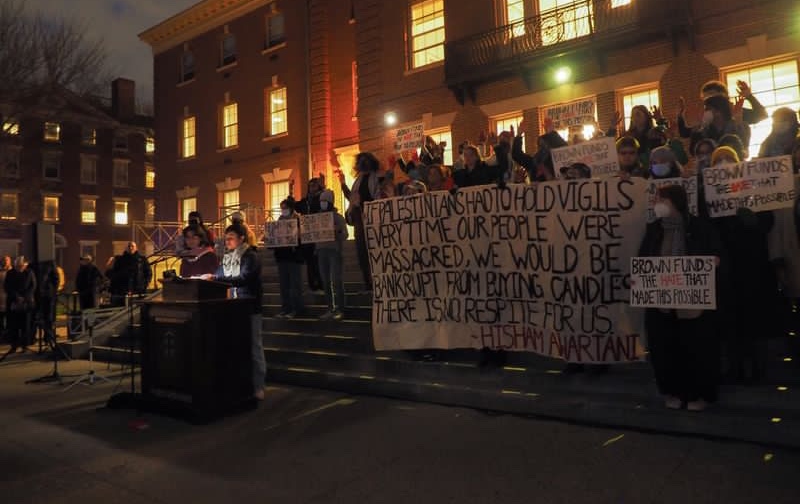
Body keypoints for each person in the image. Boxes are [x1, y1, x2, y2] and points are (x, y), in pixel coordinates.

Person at [639, 185, 724, 411]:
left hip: (692, 305)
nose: (657, 204)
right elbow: (644, 258)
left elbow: (714, 252)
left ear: (675, 202)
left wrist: (713, 262)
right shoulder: (654, 229)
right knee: (667, 351)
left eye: (661, 199)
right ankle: (672, 391)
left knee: (696, 350)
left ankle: (698, 394)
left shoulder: (699, 228)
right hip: (663, 305)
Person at [205, 222, 267, 401]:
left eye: (231, 238)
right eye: (226, 239)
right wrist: (209, 278)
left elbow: (244, 277)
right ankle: (238, 383)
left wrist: (216, 278)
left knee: (254, 346)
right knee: (236, 346)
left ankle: (258, 384)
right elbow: (219, 274)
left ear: (242, 238)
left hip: (249, 306)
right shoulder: (227, 257)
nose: (228, 242)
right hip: (232, 307)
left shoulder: (251, 256)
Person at [340, 152, 381, 293]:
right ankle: (367, 283)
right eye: (360, 161)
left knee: (374, 252)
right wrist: (343, 184)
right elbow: (352, 198)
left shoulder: (377, 178)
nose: (363, 163)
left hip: (373, 219)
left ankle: (378, 282)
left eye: (365, 160)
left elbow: (379, 195)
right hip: (359, 220)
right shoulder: (358, 180)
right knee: (362, 253)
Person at [316, 190, 348, 320]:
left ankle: (340, 309)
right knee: (325, 281)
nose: (322, 204)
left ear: (330, 203)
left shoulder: (338, 218)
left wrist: (337, 230)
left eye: (325, 201)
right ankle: (330, 308)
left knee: (336, 280)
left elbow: (345, 235)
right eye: (321, 201)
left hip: (334, 251)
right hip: (320, 251)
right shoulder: (317, 217)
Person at [273, 198, 305, 318]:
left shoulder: (298, 219)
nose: (283, 211)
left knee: (295, 284)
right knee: (284, 285)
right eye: (282, 208)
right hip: (282, 256)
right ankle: (286, 308)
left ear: (291, 208)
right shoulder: (279, 220)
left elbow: (302, 237)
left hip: (294, 256)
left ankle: (297, 309)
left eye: (285, 208)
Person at [3, 256, 37, 354]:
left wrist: (25, 297)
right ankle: (14, 345)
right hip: (14, 302)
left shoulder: (29, 272)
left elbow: (33, 286)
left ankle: (24, 345)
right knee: (14, 325)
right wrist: (16, 297)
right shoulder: (10, 273)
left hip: (26, 303)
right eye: (17, 266)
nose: (19, 268)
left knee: (25, 325)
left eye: (21, 266)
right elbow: (7, 287)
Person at [106, 242, 152, 307]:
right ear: (126, 248)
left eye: (132, 246)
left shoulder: (142, 260)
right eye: (129, 246)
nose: (130, 248)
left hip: (138, 290)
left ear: (136, 248)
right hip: (123, 290)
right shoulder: (120, 259)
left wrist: (145, 284)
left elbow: (148, 273)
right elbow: (114, 272)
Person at [0, 255, 10, 341]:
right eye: (3, 260)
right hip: (1, 298)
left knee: (10, 319)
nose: (4, 262)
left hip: (9, 298)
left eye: (6, 260)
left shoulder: (12, 272)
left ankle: (8, 335)